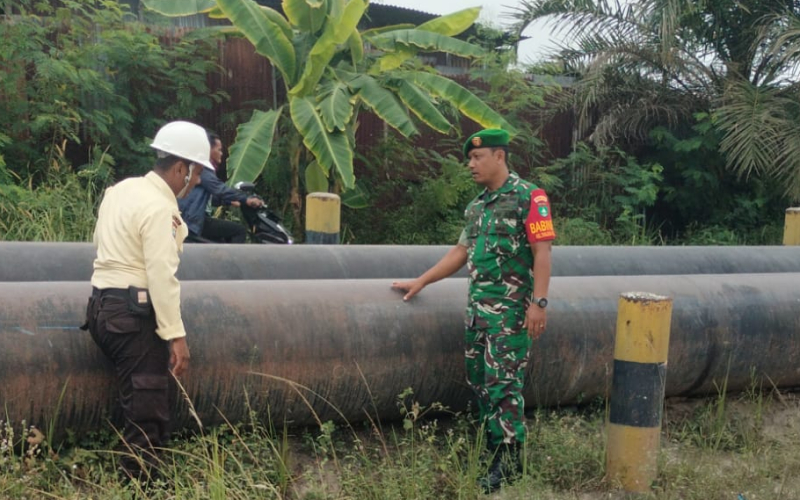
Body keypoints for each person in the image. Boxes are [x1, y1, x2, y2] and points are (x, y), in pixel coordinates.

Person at [392, 129, 555, 493]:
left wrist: (539, 303)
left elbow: (542, 251)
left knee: (503, 384)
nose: (471, 164)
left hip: (511, 313)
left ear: (499, 156)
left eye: (477, 157)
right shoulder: (477, 206)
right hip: (478, 312)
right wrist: (421, 281)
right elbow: (460, 252)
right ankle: (492, 448)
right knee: (480, 381)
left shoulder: (529, 196)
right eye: (469, 158)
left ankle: (510, 460)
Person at [83, 120, 208, 482]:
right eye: (197, 174)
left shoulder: (120, 190)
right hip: (131, 315)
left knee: (136, 394)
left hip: (100, 308)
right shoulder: (159, 208)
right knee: (147, 404)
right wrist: (176, 336)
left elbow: (100, 242)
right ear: (181, 168)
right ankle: (141, 484)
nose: (197, 182)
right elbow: (161, 276)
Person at [178, 133, 263, 243]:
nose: (221, 153)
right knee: (239, 231)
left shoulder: (202, 170)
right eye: (219, 150)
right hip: (192, 220)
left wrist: (229, 201)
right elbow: (220, 189)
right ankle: (235, 255)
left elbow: (209, 199)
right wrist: (246, 199)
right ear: (208, 150)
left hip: (193, 218)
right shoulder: (203, 169)